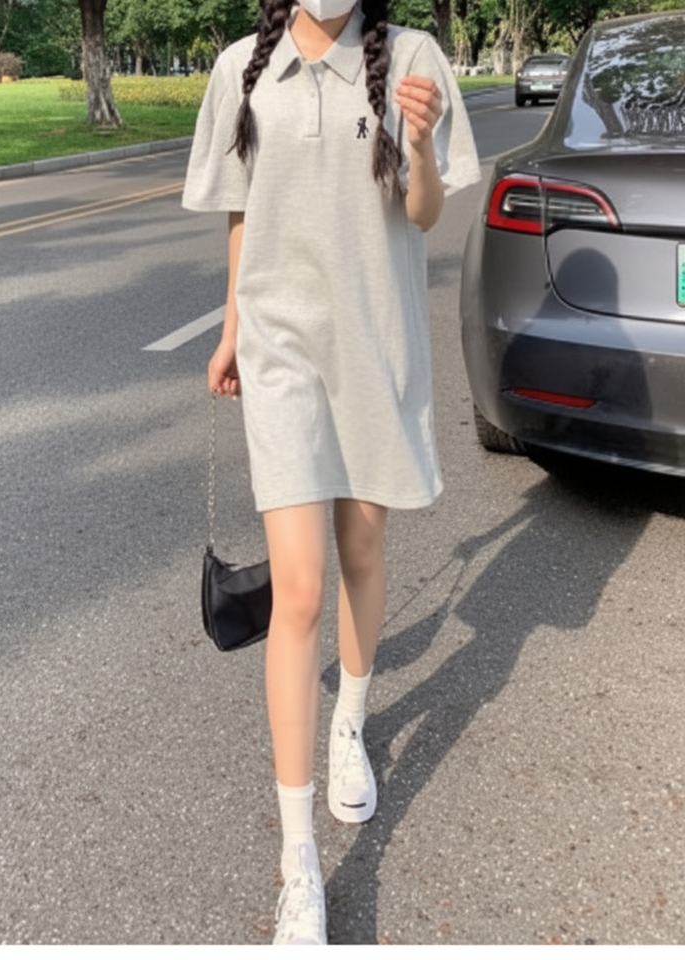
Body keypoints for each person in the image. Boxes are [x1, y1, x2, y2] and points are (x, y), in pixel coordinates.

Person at [182, 0, 480, 945]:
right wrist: (232, 330)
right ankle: (299, 861)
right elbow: (244, 214)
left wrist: (420, 144)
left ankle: (349, 720)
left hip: (376, 346)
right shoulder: (240, 68)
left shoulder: (415, 57)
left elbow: (424, 212)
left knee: (361, 550)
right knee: (300, 587)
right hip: (281, 352)